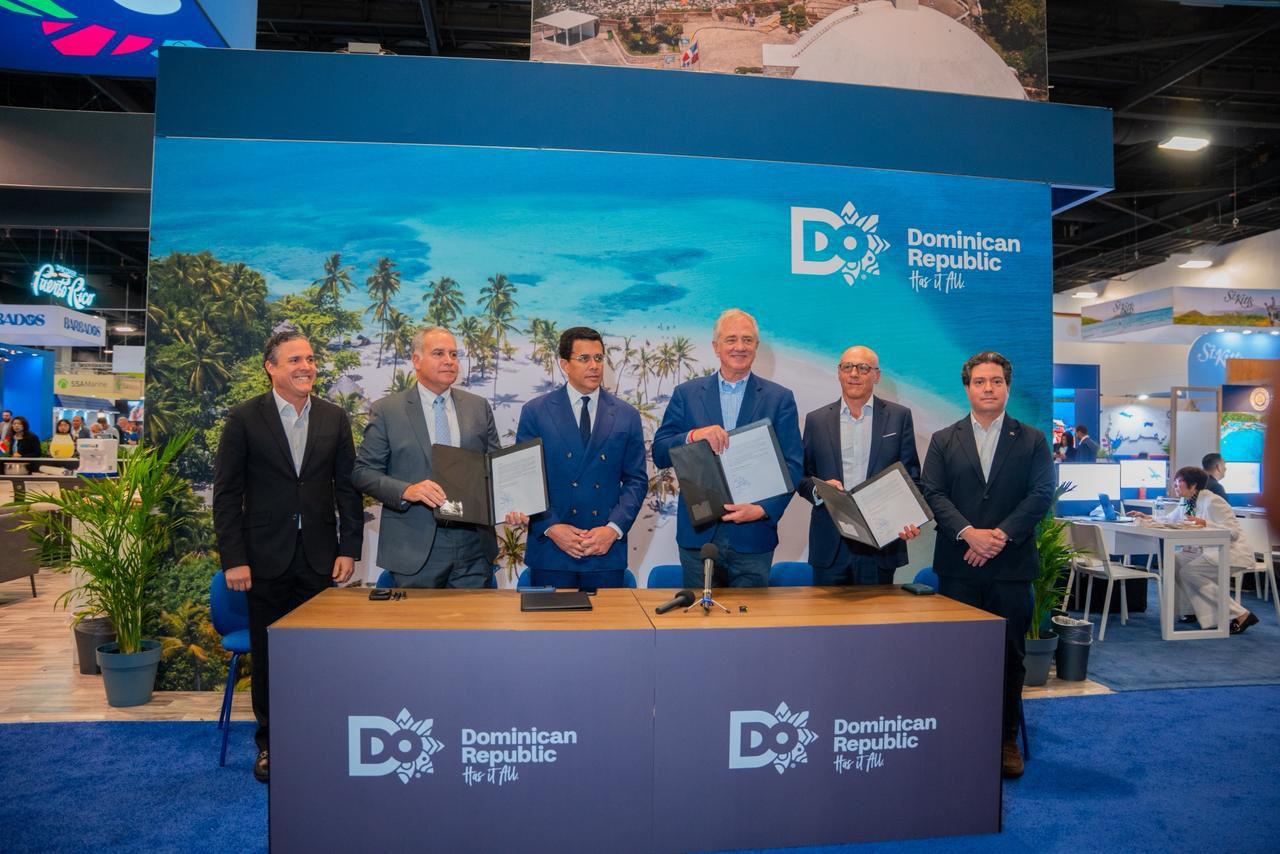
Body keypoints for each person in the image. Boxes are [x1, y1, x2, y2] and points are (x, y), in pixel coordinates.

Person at [212, 330, 364, 784]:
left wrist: (349, 548)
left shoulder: (334, 417)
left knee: (316, 655)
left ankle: (315, 738)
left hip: (320, 558)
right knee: (269, 656)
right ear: (271, 367)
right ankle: (271, 745)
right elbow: (227, 494)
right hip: (263, 559)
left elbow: (347, 489)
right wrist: (233, 558)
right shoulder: (244, 417)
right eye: (295, 359)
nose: (306, 366)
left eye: (311, 359)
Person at [921, 351, 1053, 780]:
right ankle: (958, 734)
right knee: (956, 656)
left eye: (996, 381)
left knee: (1009, 657)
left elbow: (1040, 494)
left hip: (1010, 568)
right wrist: (968, 534)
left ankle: (1004, 740)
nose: (988, 388)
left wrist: (998, 536)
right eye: (980, 381)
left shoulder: (1032, 439)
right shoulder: (944, 439)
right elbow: (933, 493)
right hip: (958, 567)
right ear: (967, 388)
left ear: (1007, 387)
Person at [652, 308, 803, 588]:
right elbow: (660, 452)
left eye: (747, 340)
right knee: (699, 615)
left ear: (756, 347)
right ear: (716, 346)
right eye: (731, 339)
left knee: (750, 616)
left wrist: (762, 510)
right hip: (699, 536)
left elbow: (793, 465)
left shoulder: (779, 398)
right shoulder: (687, 394)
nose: (739, 347)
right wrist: (694, 435)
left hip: (753, 535)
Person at [352, 326, 501, 589]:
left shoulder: (478, 407)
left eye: (454, 354)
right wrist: (407, 490)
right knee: (417, 618)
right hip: (415, 546)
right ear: (416, 360)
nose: (449, 361)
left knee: (473, 617)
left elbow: (496, 466)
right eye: (439, 353)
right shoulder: (387, 410)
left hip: (473, 545)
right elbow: (363, 472)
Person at [506, 327, 647, 588]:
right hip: (551, 551)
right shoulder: (536, 412)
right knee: (552, 618)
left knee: (608, 617)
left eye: (599, 358)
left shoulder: (626, 415)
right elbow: (526, 480)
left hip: (604, 551)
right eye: (584, 358)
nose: (594, 366)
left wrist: (613, 529)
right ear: (564, 364)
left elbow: (636, 481)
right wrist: (551, 527)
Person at [798, 345, 922, 585]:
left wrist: (910, 518)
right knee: (826, 611)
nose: (854, 374)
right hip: (830, 543)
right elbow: (802, 476)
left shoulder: (899, 417)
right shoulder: (816, 420)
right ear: (839, 373)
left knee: (876, 610)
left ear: (876, 375)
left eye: (863, 368)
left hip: (882, 542)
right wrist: (819, 490)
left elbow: (912, 477)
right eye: (848, 367)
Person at [1127, 466, 1257, 634]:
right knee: (1174, 560)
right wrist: (1147, 517)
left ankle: (1241, 614)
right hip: (1205, 551)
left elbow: (1233, 533)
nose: (1175, 486)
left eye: (1178, 482)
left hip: (1231, 552)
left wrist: (1205, 523)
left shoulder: (1213, 501)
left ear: (1193, 485)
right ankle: (1190, 610)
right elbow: (1169, 520)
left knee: (1190, 572)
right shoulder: (1186, 501)